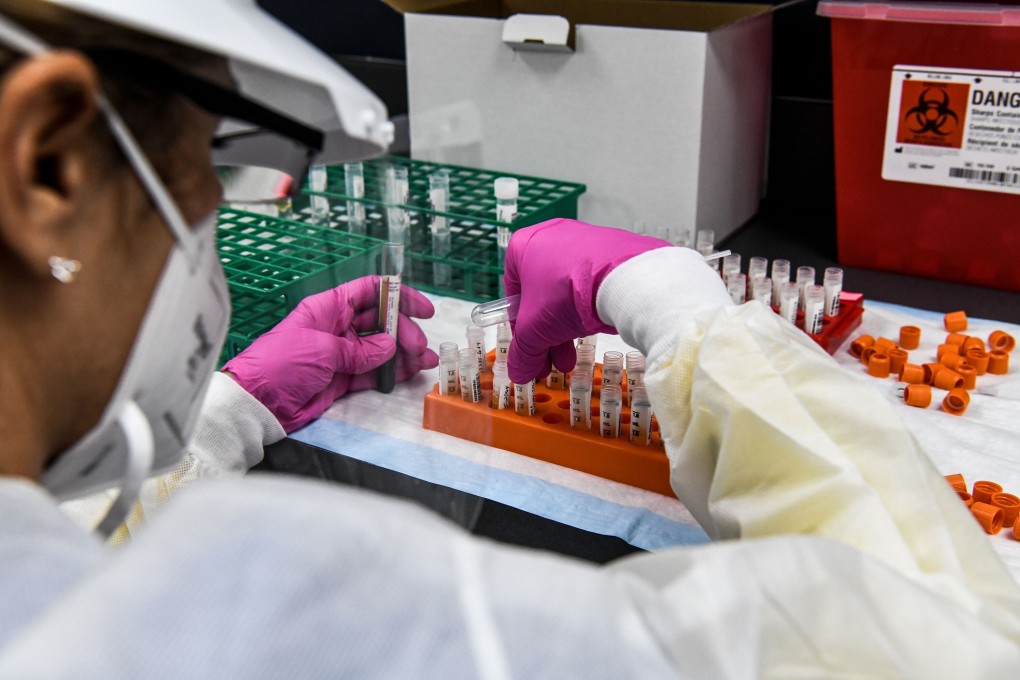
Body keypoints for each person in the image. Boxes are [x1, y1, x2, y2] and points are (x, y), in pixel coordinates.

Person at [0, 1, 1017, 677]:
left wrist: (229, 412)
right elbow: (946, 642)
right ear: (49, 167)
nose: (210, 239)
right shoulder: (277, 616)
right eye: (202, 177)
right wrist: (682, 308)